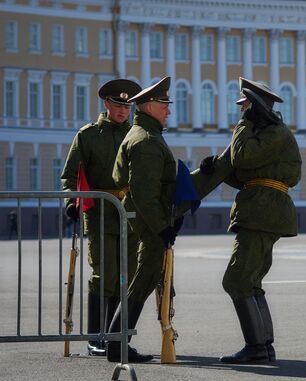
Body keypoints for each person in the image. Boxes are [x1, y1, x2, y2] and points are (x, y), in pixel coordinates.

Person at [202, 77, 302, 364]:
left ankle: (257, 347)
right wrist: (215, 168)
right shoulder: (268, 133)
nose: (241, 110)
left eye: (244, 105)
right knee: (251, 280)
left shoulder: (274, 133)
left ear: (255, 106)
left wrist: (242, 126)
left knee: (237, 279)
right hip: (262, 208)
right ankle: (264, 345)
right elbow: (247, 173)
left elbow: (244, 157)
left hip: (263, 211)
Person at [60, 79, 141, 356]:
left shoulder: (136, 135)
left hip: (130, 217)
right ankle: (97, 337)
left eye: (127, 105)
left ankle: (119, 340)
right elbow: (70, 175)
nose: (123, 110)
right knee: (104, 276)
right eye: (118, 104)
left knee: (128, 277)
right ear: (107, 104)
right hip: (101, 216)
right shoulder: (88, 135)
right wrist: (72, 200)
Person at [106, 77, 184, 363]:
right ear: (150, 106)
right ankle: (117, 343)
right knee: (144, 277)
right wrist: (163, 227)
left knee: (145, 276)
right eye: (165, 105)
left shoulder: (145, 134)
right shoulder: (146, 141)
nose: (169, 111)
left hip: (146, 215)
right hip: (149, 218)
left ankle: (117, 342)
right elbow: (144, 193)